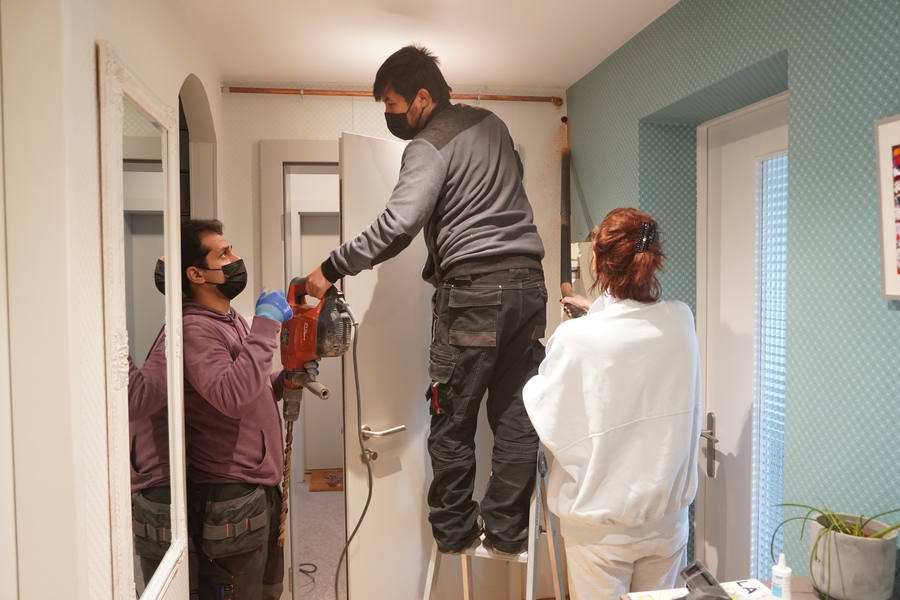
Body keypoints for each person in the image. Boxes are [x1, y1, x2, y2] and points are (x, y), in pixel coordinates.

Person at [304, 45, 547, 556]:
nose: (389, 114)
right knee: (517, 414)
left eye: (392, 104)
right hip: (529, 286)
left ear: (421, 97)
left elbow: (398, 225)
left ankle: (456, 533)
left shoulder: (428, 144)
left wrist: (329, 269)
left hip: (474, 293)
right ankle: (507, 534)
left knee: (453, 417)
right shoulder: (493, 124)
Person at [523, 208, 702, 598]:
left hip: (599, 536)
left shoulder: (575, 338)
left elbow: (545, 408)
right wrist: (594, 312)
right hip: (666, 527)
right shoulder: (681, 321)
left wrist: (582, 325)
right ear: (654, 259)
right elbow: (632, 333)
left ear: (596, 259)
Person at [180, 219, 294, 600]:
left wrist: (287, 379)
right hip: (230, 493)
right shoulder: (195, 330)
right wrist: (266, 324)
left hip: (259, 485)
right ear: (196, 274)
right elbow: (234, 397)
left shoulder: (230, 320)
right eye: (224, 254)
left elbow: (253, 390)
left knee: (268, 590)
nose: (235, 258)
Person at [128, 324, 170, 586]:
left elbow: (139, 399)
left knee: (162, 582)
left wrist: (111, 343)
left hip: (159, 482)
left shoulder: (181, 327)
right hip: (154, 476)